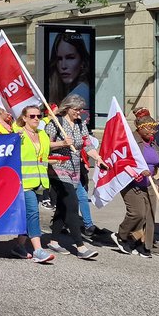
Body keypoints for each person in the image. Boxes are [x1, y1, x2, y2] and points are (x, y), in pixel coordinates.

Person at [44, 94, 106, 258]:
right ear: (68, 108)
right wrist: (62, 143)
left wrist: (98, 158)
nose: (80, 112)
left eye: (81, 109)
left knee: (63, 207)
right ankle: (80, 246)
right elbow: (44, 145)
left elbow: (86, 144)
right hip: (57, 170)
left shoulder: (79, 124)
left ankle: (54, 241)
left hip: (74, 170)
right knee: (72, 204)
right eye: (77, 109)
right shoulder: (55, 123)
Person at [111, 108, 159, 258]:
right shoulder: (130, 141)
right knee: (138, 213)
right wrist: (138, 171)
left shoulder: (153, 144)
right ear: (140, 128)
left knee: (150, 216)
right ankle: (122, 235)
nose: (153, 132)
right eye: (150, 129)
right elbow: (121, 161)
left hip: (150, 183)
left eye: (154, 129)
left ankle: (143, 244)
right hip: (131, 182)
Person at [11, 106, 56, 263]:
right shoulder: (19, 134)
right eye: (32, 116)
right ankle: (38, 250)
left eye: (39, 116)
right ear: (24, 118)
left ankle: (19, 245)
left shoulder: (42, 134)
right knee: (33, 212)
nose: (36, 118)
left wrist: (63, 144)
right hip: (24, 182)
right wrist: (14, 138)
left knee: (26, 216)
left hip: (40, 181)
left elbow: (44, 153)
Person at [48, 32, 90, 110]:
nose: (63, 66)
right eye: (59, 59)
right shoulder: (57, 89)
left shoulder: (82, 92)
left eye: (70, 58)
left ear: (82, 61)